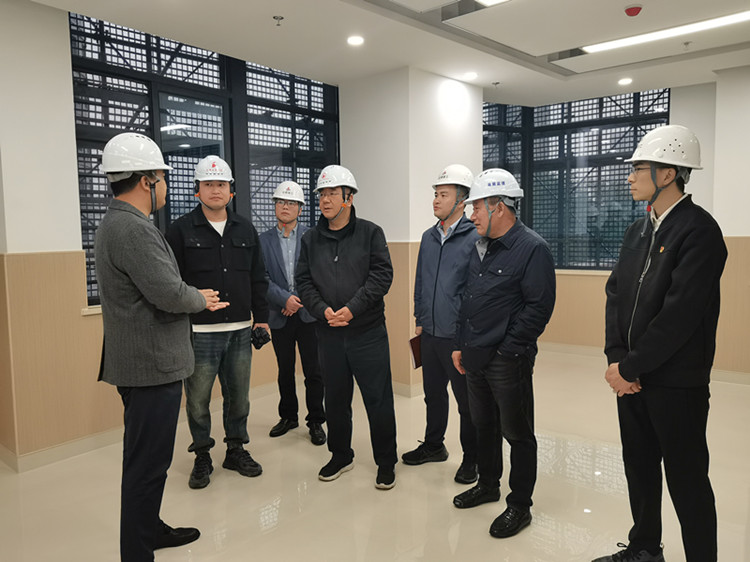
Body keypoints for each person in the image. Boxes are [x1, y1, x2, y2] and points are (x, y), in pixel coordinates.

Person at [593, 125, 727, 562]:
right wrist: (618, 360)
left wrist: (630, 367)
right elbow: (616, 295)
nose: (630, 177)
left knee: (687, 482)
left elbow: (680, 316)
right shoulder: (638, 230)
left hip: (676, 383)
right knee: (639, 468)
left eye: (639, 168)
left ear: (668, 173)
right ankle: (645, 548)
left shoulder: (700, 231)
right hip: (632, 380)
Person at [96, 133, 228, 561]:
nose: (167, 187)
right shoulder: (133, 229)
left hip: (143, 362)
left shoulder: (117, 222)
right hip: (151, 367)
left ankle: (149, 529)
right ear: (146, 180)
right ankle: (138, 551)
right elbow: (168, 293)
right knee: (147, 467)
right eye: (164, 178)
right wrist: (200, 298)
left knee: (148, 462)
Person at [451, 168, 556, 539]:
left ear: (499, 206)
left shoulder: (532, 248)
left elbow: (539, 308)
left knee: (517, 433)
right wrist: (461, 344)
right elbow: (468, 298)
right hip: (474, 354)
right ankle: (488, 484)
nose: (471, 215)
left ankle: (519, 505)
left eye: (477, 207)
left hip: (507, 360)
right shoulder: (480, 245)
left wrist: (509, 350)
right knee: (484, 425)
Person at [166, 155, 269, 490]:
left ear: (231, 191)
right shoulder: (180, 230)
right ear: (197, 190)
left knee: (239, 397)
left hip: (239, 330)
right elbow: (171, 282)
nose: (215, 190)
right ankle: (202, 455)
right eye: (208, 184)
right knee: (197, 400)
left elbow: (258, 277)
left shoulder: (245, 229)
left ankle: (235, 450)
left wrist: (262, 320)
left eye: (221, 184)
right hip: (199, 331)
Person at [295, 164, 398, 490]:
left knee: (378, 400)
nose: (325, 200)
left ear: (348, 198)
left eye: (331, 193)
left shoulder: (371, 233)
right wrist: (322, 310)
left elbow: (382, 276)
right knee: (336, 401)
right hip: (328, 333)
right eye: (321, 194)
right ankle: (340, 455)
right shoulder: (310, 239)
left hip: (367, 333)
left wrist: (352, 309)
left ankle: (386, 462)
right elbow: (303, 282)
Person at [404, 164, 479, 484]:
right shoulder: (428, 236)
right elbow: (421, 282)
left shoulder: (475, 236)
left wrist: (467, 333)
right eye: (435, 194)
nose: (436, 200)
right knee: (433, 395)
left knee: (467, 403)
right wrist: (420, 319)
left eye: (443, 194)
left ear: (461, 200)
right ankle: (434, 445)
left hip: (458, 337)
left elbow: (476, 290)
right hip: (431, 333)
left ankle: (472, 460)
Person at [259, 180, 326, 445]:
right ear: (275, 206)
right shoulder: (263, 240)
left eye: (291, 203)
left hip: (308, 315)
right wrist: (284, 299)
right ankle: (288, 417)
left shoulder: (312, 237)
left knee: (314, 371)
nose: (285, 207)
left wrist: (298, 300)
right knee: (284, 370)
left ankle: (316, 421)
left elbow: (318, 274)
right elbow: (261, 278)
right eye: (280, 202)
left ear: (300, 208)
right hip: (280, 315)